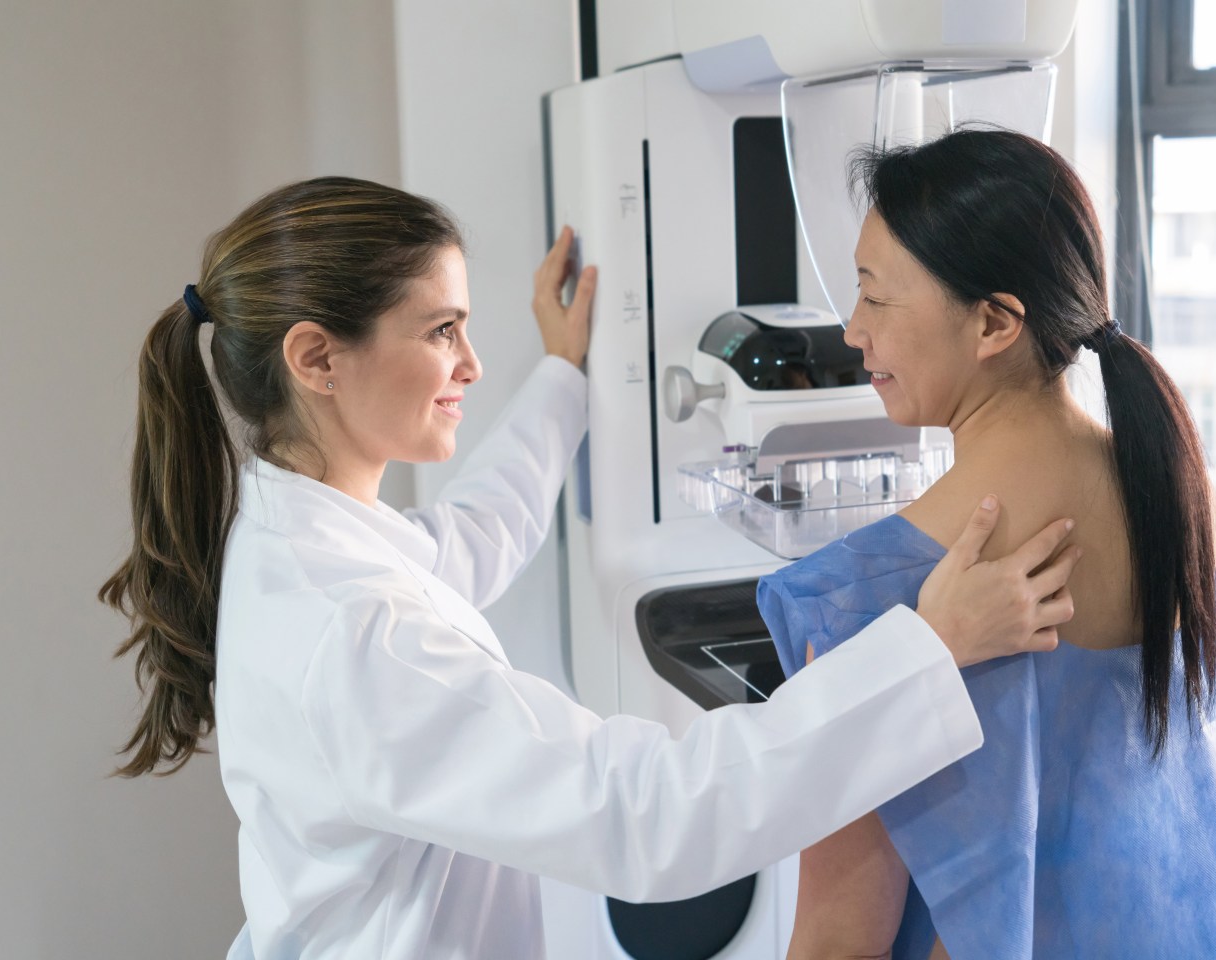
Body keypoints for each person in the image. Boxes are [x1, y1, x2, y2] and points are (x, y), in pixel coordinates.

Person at [97, 176, 1085, 960]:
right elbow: (645, 814)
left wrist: (563, 376)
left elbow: (467, 543)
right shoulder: (355, 629)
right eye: (442, 330)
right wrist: (930, 647)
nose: (471, 364)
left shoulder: (298, 536)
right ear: (318, 358)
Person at [759, 129, 1216, 960]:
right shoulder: (1174, 500)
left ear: (995, 321)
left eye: (875, 296)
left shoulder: (863, 596)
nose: (854, 329)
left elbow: (837, 938)